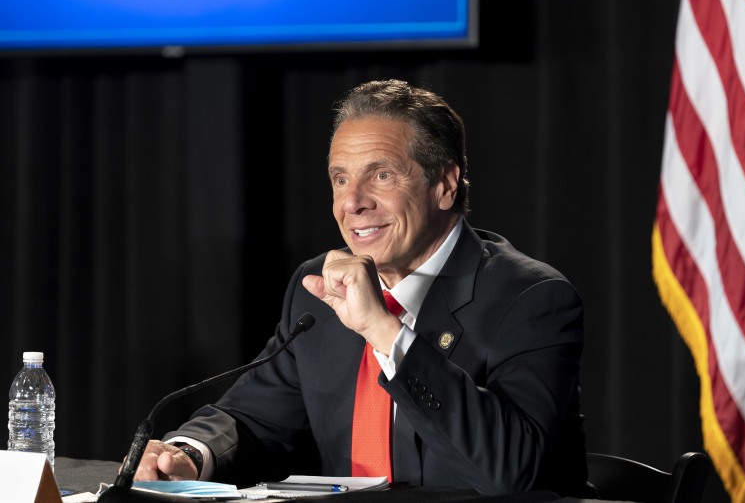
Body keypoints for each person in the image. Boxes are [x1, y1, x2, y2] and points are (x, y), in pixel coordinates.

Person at [131, 78, 593, 497]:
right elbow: (254, 417)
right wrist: (190, 453)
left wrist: (384, 330)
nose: (352, 203)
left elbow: (509, 471)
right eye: (340, 178)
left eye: (382, 175)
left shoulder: (531, 298)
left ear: (446, 186)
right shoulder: (320, 287)